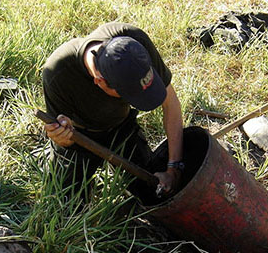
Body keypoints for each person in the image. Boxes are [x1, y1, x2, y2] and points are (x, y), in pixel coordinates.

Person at [41, 22, 184, 199]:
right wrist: (61, 138)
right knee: (63, 203)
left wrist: (174, 167)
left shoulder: (133, 44)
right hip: (79, 138)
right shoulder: (58, 73)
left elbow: (171, 104)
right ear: (99, 81)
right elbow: (62, 137)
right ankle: (47, 158)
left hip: (121, 127)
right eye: (130, 94)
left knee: (152, 192)